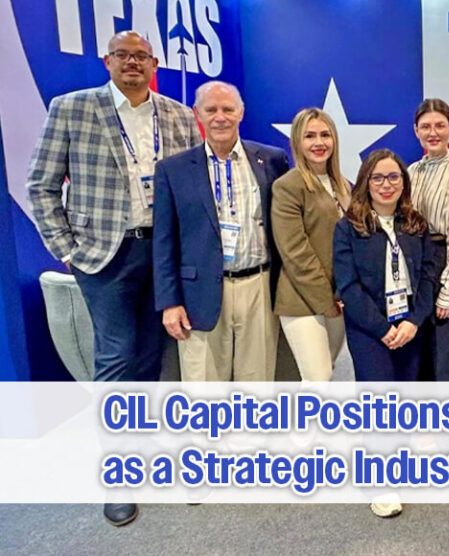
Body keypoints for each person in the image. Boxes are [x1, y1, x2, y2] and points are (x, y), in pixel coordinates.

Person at [26, 30, 202, 527]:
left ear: (154, 64)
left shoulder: (177, 114)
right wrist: (68, 251)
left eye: (141, 56)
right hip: (105, 255)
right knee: (116, 357)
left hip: (162, 251)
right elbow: (40, 186)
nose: (132, 63)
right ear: (107, 61)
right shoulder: (71, 108)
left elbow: (190, 186)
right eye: (122, 56)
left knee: (152, 356)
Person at [153, 81, 289, 382]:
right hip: (198, 294)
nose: (220, 117)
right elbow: (164, 242)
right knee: (203, 385)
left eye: (228, 109)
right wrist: (169, 302)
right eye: (211, 109)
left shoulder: (272, 159)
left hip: (260, 286)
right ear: (197, 114)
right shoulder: (172, 170)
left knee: (257, 381)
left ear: (241, 113)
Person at [333, 149, 439, 381]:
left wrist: (413, 321)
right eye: (377, 178)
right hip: (369, 329)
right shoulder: (348, 228)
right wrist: (382, 329)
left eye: (393, 177)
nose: (386, 185)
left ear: (403, 182)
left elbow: (428, 277)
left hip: (410, 325)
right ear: (366, 183)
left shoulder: (416, 224)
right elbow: (349, 287)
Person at [271, 108, 351, 381]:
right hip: (302, 300)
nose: (319, 143)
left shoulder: (345, 186)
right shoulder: (287, 187)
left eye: (325, 135)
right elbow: (295, 253)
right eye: (310, 136)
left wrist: (344, 294)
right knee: (317, 378)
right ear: (297, 142)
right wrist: (325, 301)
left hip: (338, 299)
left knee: (326, 373)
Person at [407, 99, 449, 380]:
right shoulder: (410, 172)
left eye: (439, 125)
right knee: (418, 348)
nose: (432, 132)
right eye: (425, 127)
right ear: (416, 131)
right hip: (415, 262)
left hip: (446, 262)